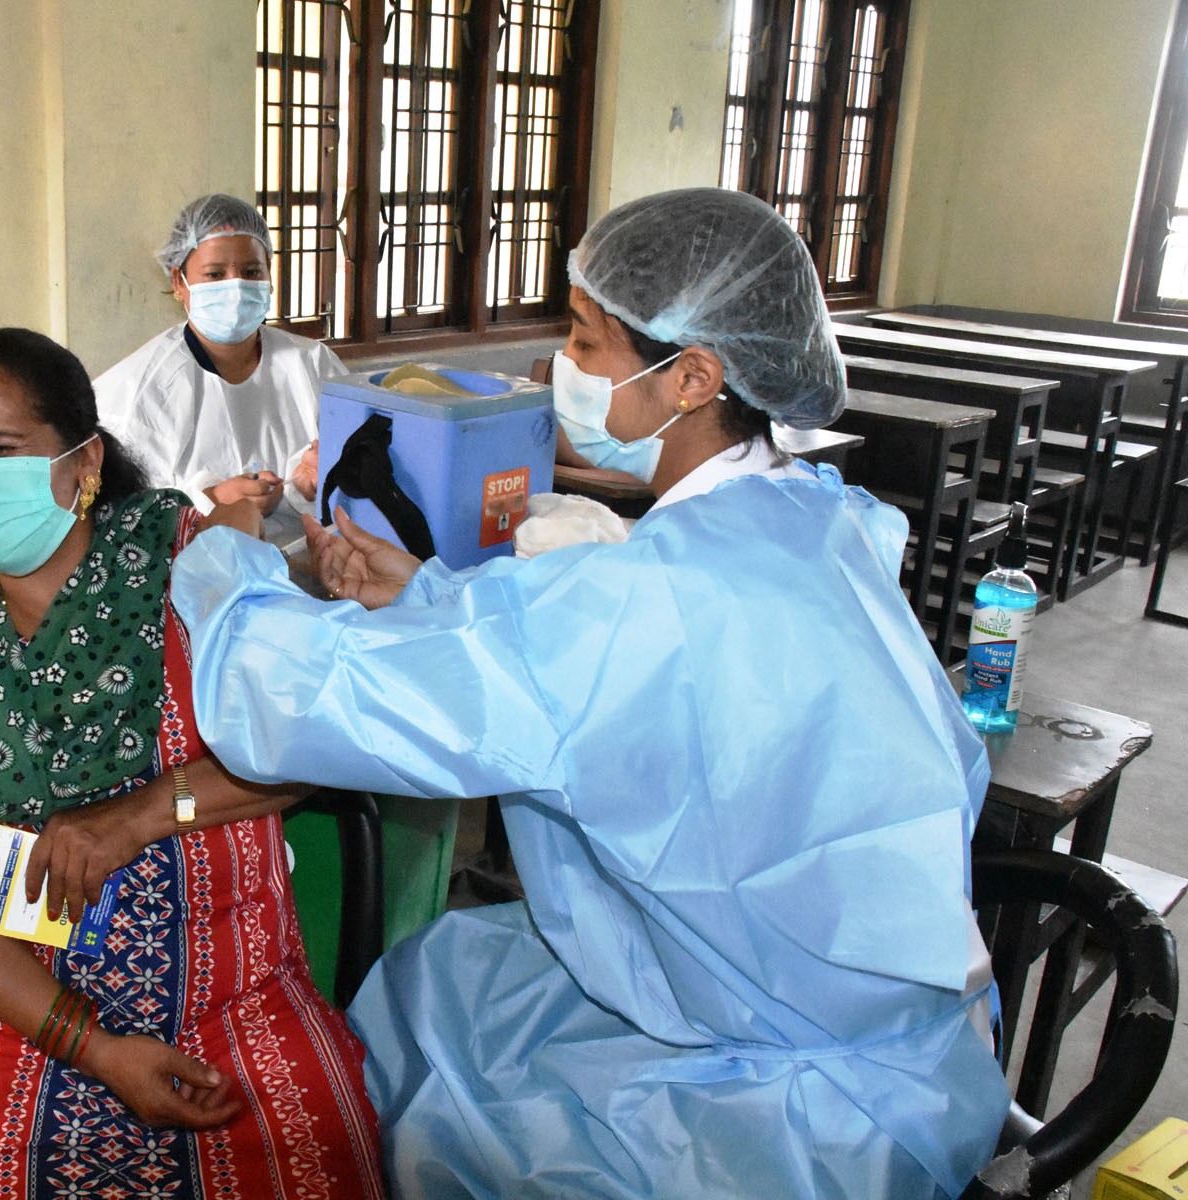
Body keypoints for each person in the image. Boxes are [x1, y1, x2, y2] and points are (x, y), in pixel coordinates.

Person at [169, 189, 1011, 1199]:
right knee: (441, 976)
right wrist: (429, 595)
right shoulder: (816, 518)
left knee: (425, 1070)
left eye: (585, 341)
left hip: (801, 1111)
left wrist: (223, 565)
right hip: (903, 1020)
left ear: (693, 376)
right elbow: (580, 658)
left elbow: (300, 701)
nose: (557, 371)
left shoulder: (647, 599)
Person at [0, 327, 384, 1199]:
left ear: (83, 468)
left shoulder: (197, 571)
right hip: (39, 1016)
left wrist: (141, 814)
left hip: (240, 994)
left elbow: (318, 745)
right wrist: (99, 1051)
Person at [93, 194, 346, 542]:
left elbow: (356, 475)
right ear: (179, 282)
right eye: (214, 274)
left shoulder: (313, 364)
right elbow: (119, 517)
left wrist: (304, 486)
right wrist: (210, 500)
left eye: (251, 271)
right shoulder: (136, 391)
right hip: (193, 581)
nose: (236, 287)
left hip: (309, 567)